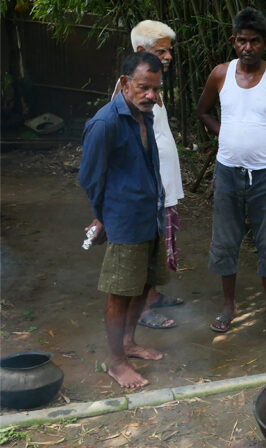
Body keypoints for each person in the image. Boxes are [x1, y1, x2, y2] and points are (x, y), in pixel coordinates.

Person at [196, 7, 266, 333]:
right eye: (242, 41)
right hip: (227, 171)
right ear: (233, 41)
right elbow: (203, 111)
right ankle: (229, 306)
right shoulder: (220, 75)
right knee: (226, 239)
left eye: (254, 41)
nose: (248, 48)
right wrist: (225, 134)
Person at [79, 52, 168, 388]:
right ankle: (116, 363)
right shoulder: (106, 123)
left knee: (143, 285)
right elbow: (89, 178)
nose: (151, 95)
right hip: (125, 221)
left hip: (150, 216)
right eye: (144, 87)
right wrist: (102, 217)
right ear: (124, 83)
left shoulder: (144, 115)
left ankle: (128, 343)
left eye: (156, 89)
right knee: (120, 292)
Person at [99, 20, 185, 330]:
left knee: (159, 244)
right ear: (140, 51)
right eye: (162, 50)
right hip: (148, 191)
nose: (168, 56)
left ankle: (153, 296)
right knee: (147, 249)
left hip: (161, 186)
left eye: (169, 51)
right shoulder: (129, 96)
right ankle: (145, 309)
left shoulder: (151, 88)